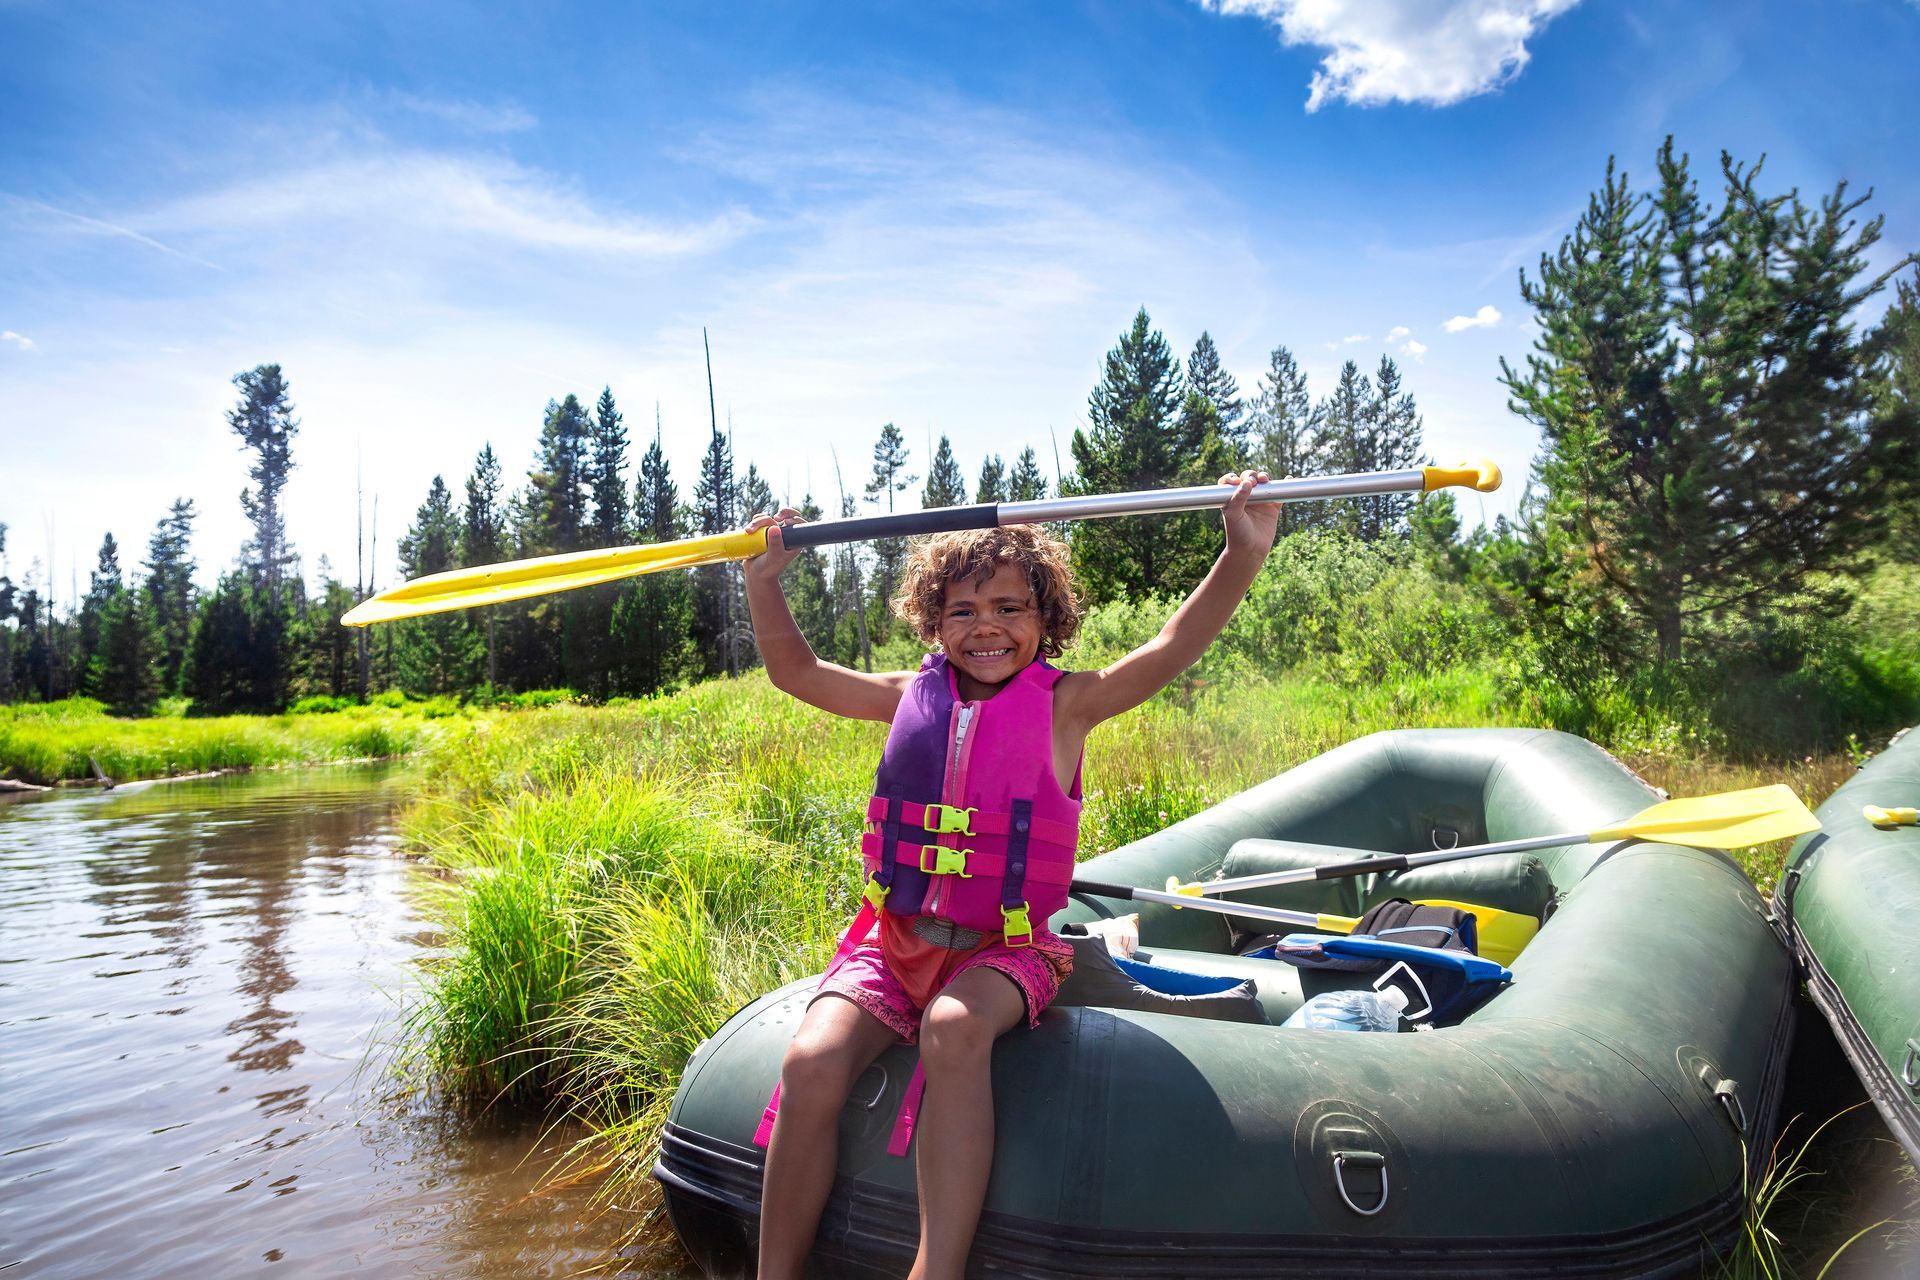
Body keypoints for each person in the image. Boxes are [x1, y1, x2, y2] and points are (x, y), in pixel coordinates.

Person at [743, 470, 1282, 1280]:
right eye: (963, 610)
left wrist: (1241, 555)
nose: (985, 628)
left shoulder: (1072, 704)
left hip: (1009, 949)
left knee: (954, 1029)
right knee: (809, 1062)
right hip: (894, 942)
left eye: (1008, 609)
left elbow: (1172, 646)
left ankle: (938, 1269)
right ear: (934, 621)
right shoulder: (903, 696)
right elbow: (797, 673)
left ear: (1045, 619)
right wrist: (764, 584)